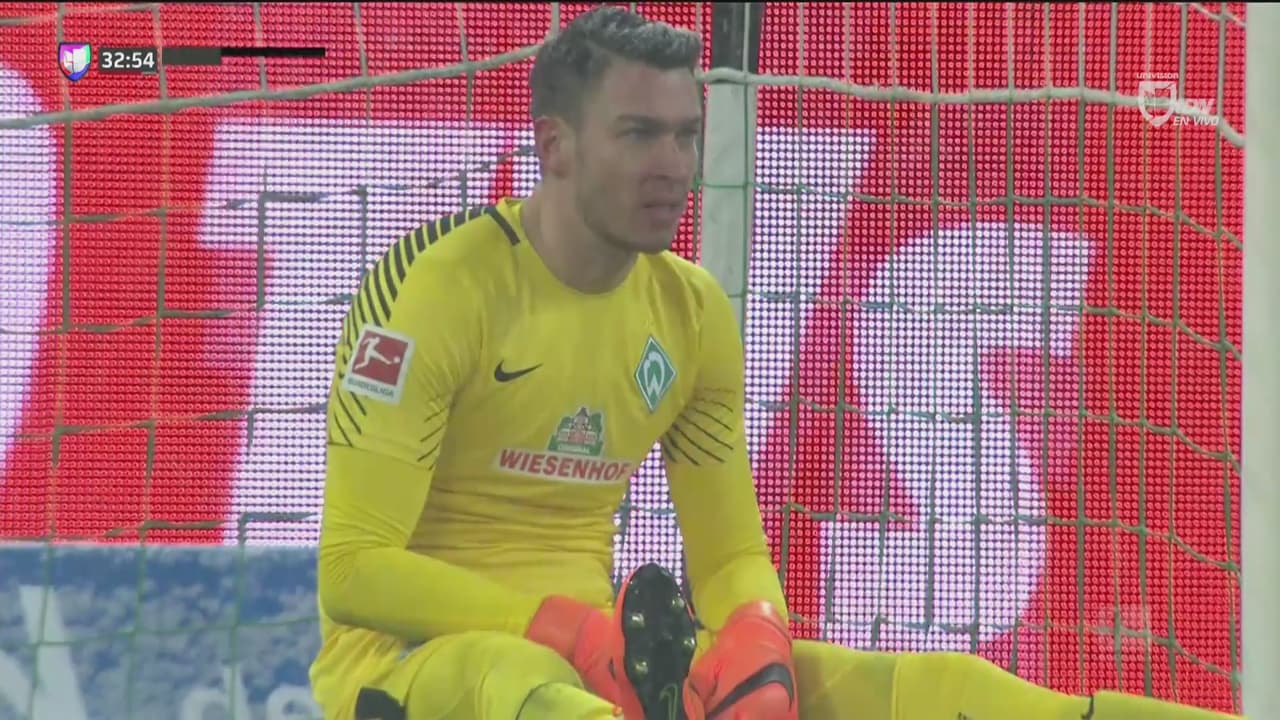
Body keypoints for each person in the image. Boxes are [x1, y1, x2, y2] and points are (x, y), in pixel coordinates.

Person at [309, 7, 1244, 720]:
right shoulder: (434, 290)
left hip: (604, 670)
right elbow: (353, 573)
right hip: (413, 665)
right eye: (638, 134)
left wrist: (756, 632)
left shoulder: (690, 312)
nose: (674, 165)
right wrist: (572, 631)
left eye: (685, 133)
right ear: (554, 144)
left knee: (935, 690)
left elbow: (728, 554)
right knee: (521, 684)